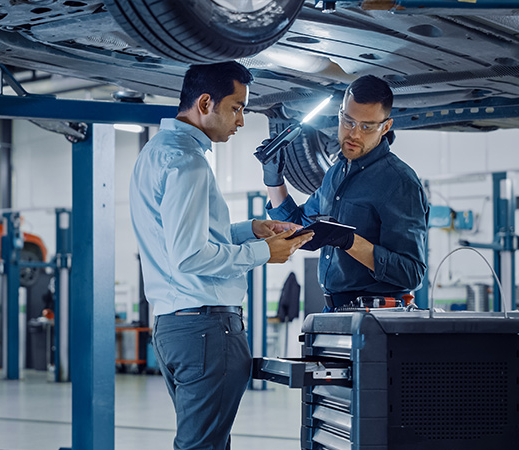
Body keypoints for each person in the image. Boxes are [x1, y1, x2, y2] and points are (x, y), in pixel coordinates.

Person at [129, 61, 312, 450]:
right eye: (237, 107)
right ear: (206, 102)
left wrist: (251, 230)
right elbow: (191, 255)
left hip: (175, 327)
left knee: (205, 442)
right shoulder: (189, 163)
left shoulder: (157, 152)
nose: (241, 121)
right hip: (207, 331)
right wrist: (263, 253)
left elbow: (179, 240)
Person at [261, 75, 429, 311]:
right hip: (334, 311)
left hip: (378, 317)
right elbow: (297, 229)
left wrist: (350, 242)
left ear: (386, 127)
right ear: (339, 114)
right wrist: (274, 179)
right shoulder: (336, 173)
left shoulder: (398, 182)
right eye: (348, 121)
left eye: (366, 126)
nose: (354, 134)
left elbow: (411, 274)